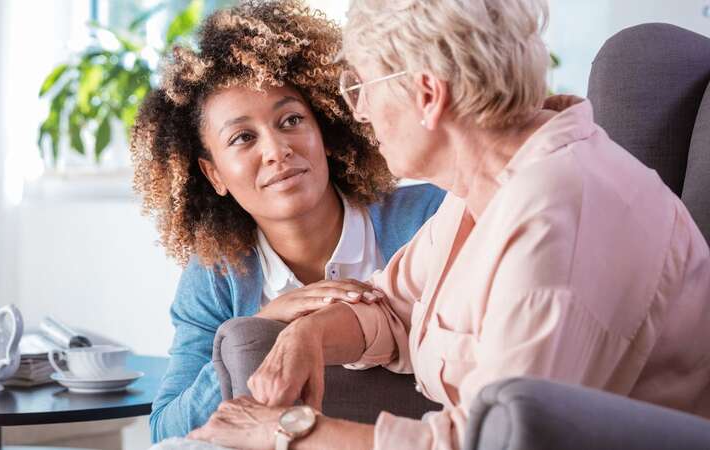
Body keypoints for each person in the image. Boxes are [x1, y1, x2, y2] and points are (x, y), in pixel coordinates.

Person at [187, 0, 710, 449]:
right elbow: (392, 308)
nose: (360, 111)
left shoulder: (559, 216)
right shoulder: (484, 189)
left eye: (363, 86)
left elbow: (490, 439)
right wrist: (311, 333)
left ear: (428, 94)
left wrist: (289, 431)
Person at [130, 0, 445, 442]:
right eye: (243, 137)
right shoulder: (217, 277)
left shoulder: (430, 216)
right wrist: (265, 323)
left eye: (292, 120)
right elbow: (166, 429)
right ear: (214, 173)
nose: (277, 150)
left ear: (325, 130)